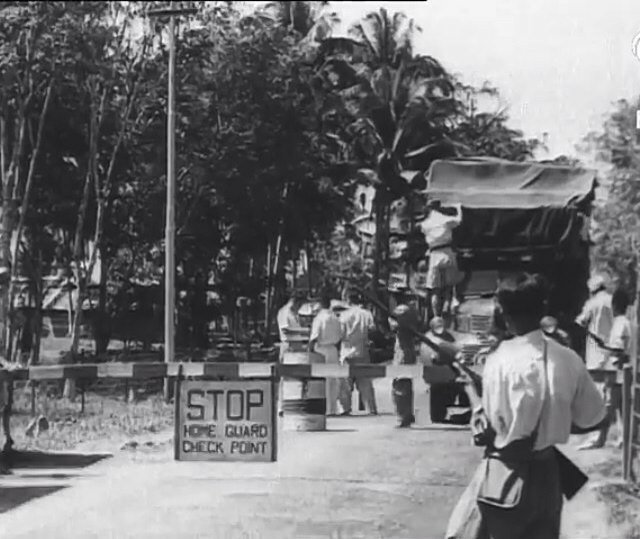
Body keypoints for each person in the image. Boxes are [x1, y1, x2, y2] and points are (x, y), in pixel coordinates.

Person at [449, 273, 606, 539]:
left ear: (503, 314)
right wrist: (556, 422)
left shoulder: (497, 360)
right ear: (542, 309)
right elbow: (595, 419)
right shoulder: (567, 358)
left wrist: (470, 390)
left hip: (505, 477)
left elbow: (485, 427)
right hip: (548, 476)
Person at [580, 288, 632, 450]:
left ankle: (598, 438)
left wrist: (602, 347)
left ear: (615, 305)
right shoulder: (630, 322)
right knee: (624, 406)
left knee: (607, 405)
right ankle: (625, 437)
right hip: (627, 371)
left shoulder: (619, 324)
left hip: (616, 370)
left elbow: (618, 349)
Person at [418, 200, 463, 321]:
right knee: (450, 285)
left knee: (435, 289)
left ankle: (437, 316)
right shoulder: (445, 220)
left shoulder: (425, 224)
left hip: (434, 255)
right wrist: (458, 208)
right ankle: (448, 306)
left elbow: (422, 230)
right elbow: (458, 220)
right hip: (447, 253)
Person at [338, 291, 378, 416]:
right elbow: (373, 330)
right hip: (362, 350)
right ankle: (370, 408)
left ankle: (345, 408)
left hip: (346, 352)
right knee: (365, 382)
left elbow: (340, 333)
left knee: (345, 384)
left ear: (348, 300)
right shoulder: (366, 314)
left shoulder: (343, 315)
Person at [390, 290, 420, 427]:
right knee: (405, 383)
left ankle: (404, 415)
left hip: (403, 351)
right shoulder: (411, 309)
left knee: (400, 384)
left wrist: (390, 317)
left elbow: (394, 325)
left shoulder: (403, 310)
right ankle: (407, 414)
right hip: (406, 349)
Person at [309, 293, 342, 416]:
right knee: (333, 380)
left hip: (321, 350)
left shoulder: (319, 318)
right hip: (333, 350)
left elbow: (314, 337)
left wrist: (310, 351)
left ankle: (324, 408)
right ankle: (333, 408)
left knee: (323, 381)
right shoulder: (335, 317)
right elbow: (340, 337)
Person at [575, 274, 613, 369]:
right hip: (612, 346)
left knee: (595, 376)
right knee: (611, 376)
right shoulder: (612, 300)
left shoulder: (591, 303)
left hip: (596, 346)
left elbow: (581, 321)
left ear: (592, 290)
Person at [277, 291, 307, 360]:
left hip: (297, 345)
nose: (299, 307)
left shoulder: (294, 313)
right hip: (289, 345)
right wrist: (303, 331)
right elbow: (285, 330)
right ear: (293, 301)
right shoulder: (284, 312)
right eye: (299, 304)